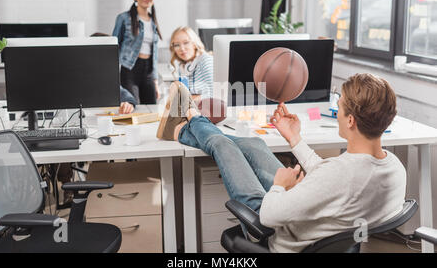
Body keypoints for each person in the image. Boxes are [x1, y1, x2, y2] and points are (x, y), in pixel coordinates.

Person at [156, 74, 406, 253]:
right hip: (314, 216)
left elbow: (269, 214)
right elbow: (330, 176)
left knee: (222, 146)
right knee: (255, 144)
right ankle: (183, 130)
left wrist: (279, 186)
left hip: (275, 228)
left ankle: (192, 118)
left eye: (338, 107)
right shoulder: (394, 167)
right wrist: (294, 138)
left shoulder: (339, 173)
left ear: (350, 121)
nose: (336, 110)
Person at [112, 0, 162, 104]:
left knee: (151, 110)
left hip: (148, 72)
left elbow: (154, 55)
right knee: (132, 106)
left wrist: (155, 81)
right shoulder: (123, 18)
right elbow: (113, 47)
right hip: (129, 70)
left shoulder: (153, 21)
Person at [169, 26, 213, 101]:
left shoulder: (205, 61)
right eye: (177, 45)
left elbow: (214, 94)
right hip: (193, 110)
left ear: (194, 44)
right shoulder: (183, 67)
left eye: (186, 43)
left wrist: (188, 99)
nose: (182, 49)